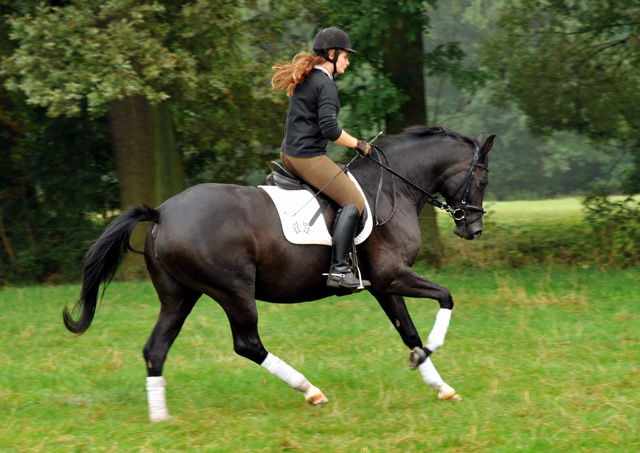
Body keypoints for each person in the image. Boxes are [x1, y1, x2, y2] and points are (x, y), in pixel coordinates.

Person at [272, 27, 371, 291]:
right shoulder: (325, 84)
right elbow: (330, 129)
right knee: (355, 201)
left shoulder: (308, 78)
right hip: (307, 157)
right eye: (346, 56)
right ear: (332, 53)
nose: (348, 61)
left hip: (289, 154)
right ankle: (339, 270)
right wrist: (359, 145)